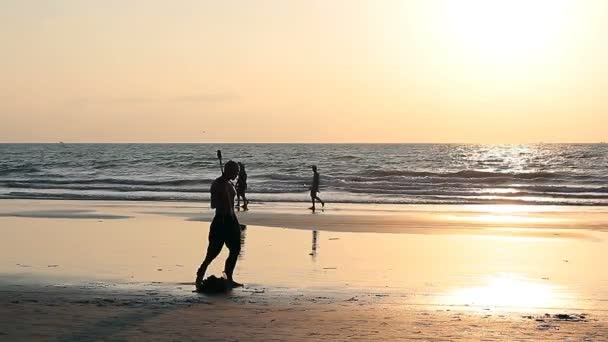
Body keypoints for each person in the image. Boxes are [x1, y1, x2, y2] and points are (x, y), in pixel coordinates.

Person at [195, 160, 243, 290]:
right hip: (221, 221)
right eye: (236, 171)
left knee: (235, 250)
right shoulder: (217, 184)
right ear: (229, 170)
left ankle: (229, 277)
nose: (237, 174)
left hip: (232, 219)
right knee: (213, 252)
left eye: (238, 171)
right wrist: (221, 194)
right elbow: (213, 205)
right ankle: (200, 273)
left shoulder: (230, 184)